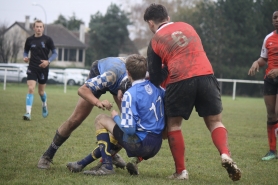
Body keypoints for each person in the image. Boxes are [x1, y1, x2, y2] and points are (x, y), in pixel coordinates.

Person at [143, 4, 241, 181]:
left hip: (180, 79)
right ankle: (225, 154)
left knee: (174, 125)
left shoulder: (155, 39)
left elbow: (156, 77)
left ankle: (181, 172)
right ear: (167, 16)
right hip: (206, 75)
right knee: (215, 122)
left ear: (151, 23)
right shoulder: (188, 26)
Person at [66, 54, 165, 176]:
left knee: (101, 119)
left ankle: (107, 166)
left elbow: (129, 130)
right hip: (156, 145)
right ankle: (81, 163)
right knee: (116, 134)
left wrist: (115, 117)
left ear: (127, 72)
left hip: (140, 145)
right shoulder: (157, 88)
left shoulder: (130, 94)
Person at [37, 57, 130, 169]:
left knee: (126, 124)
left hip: (120, 78)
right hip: (102, 72)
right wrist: (97, 102)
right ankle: (47, 155)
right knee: (76, 119)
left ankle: (109, 153)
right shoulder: (110, 76)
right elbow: (82, 90)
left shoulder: (139, 80)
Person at [248, 10, 278, 161]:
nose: (277, 20)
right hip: (270, 80)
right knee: (271, 114)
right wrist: (256, 63)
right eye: (274, 17)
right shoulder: (268, 38)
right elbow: (263, 59)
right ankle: (272, 151)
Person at [23, 20, 57, 120]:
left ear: (43, 28)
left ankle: (44, 105)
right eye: (37, 26)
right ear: (34, 28)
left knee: (41, 92)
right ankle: (28, 113)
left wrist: (48, 61)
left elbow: (55, 53)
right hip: (32, 67)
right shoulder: (29, 40)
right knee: (31, 88)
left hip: (43, 68)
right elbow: (25, 51)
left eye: (40, 26)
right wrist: (25, 57)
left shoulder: (48, 39)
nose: (38, 28)